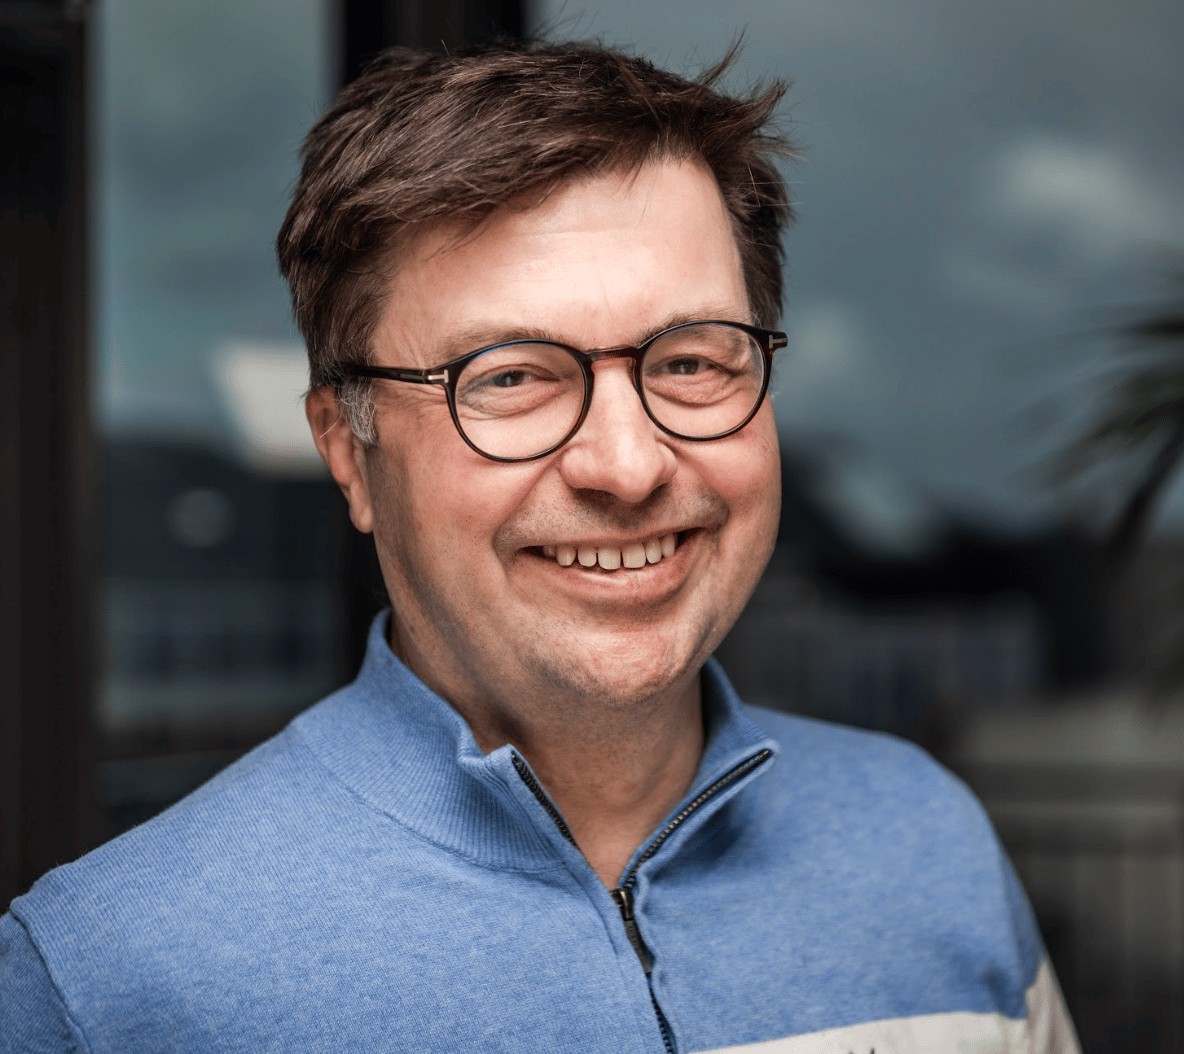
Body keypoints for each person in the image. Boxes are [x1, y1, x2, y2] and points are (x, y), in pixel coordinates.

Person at [1, 40, 1078, 1053]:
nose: (628, 463)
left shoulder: (931, 846)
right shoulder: (107, 982)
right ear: (345, 449)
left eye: (693, 361)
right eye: (508, 376)